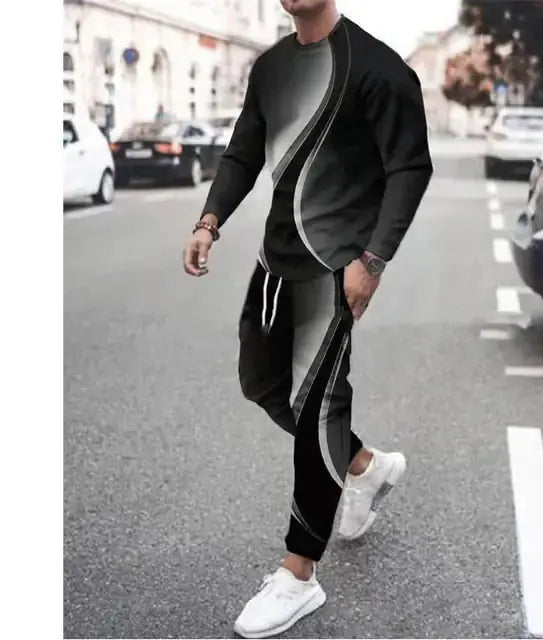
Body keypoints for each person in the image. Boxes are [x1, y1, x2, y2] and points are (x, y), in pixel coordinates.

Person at [182, 1, 432, 636]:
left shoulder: (379, 69)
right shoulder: (270, 67)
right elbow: (242, 153)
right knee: (264, 386)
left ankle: (298, 574)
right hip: (275, 262)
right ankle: (364, 465)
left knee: (319, 406)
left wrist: (372, 260)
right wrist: (210, 220)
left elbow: (410, 168)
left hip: (335, 268)